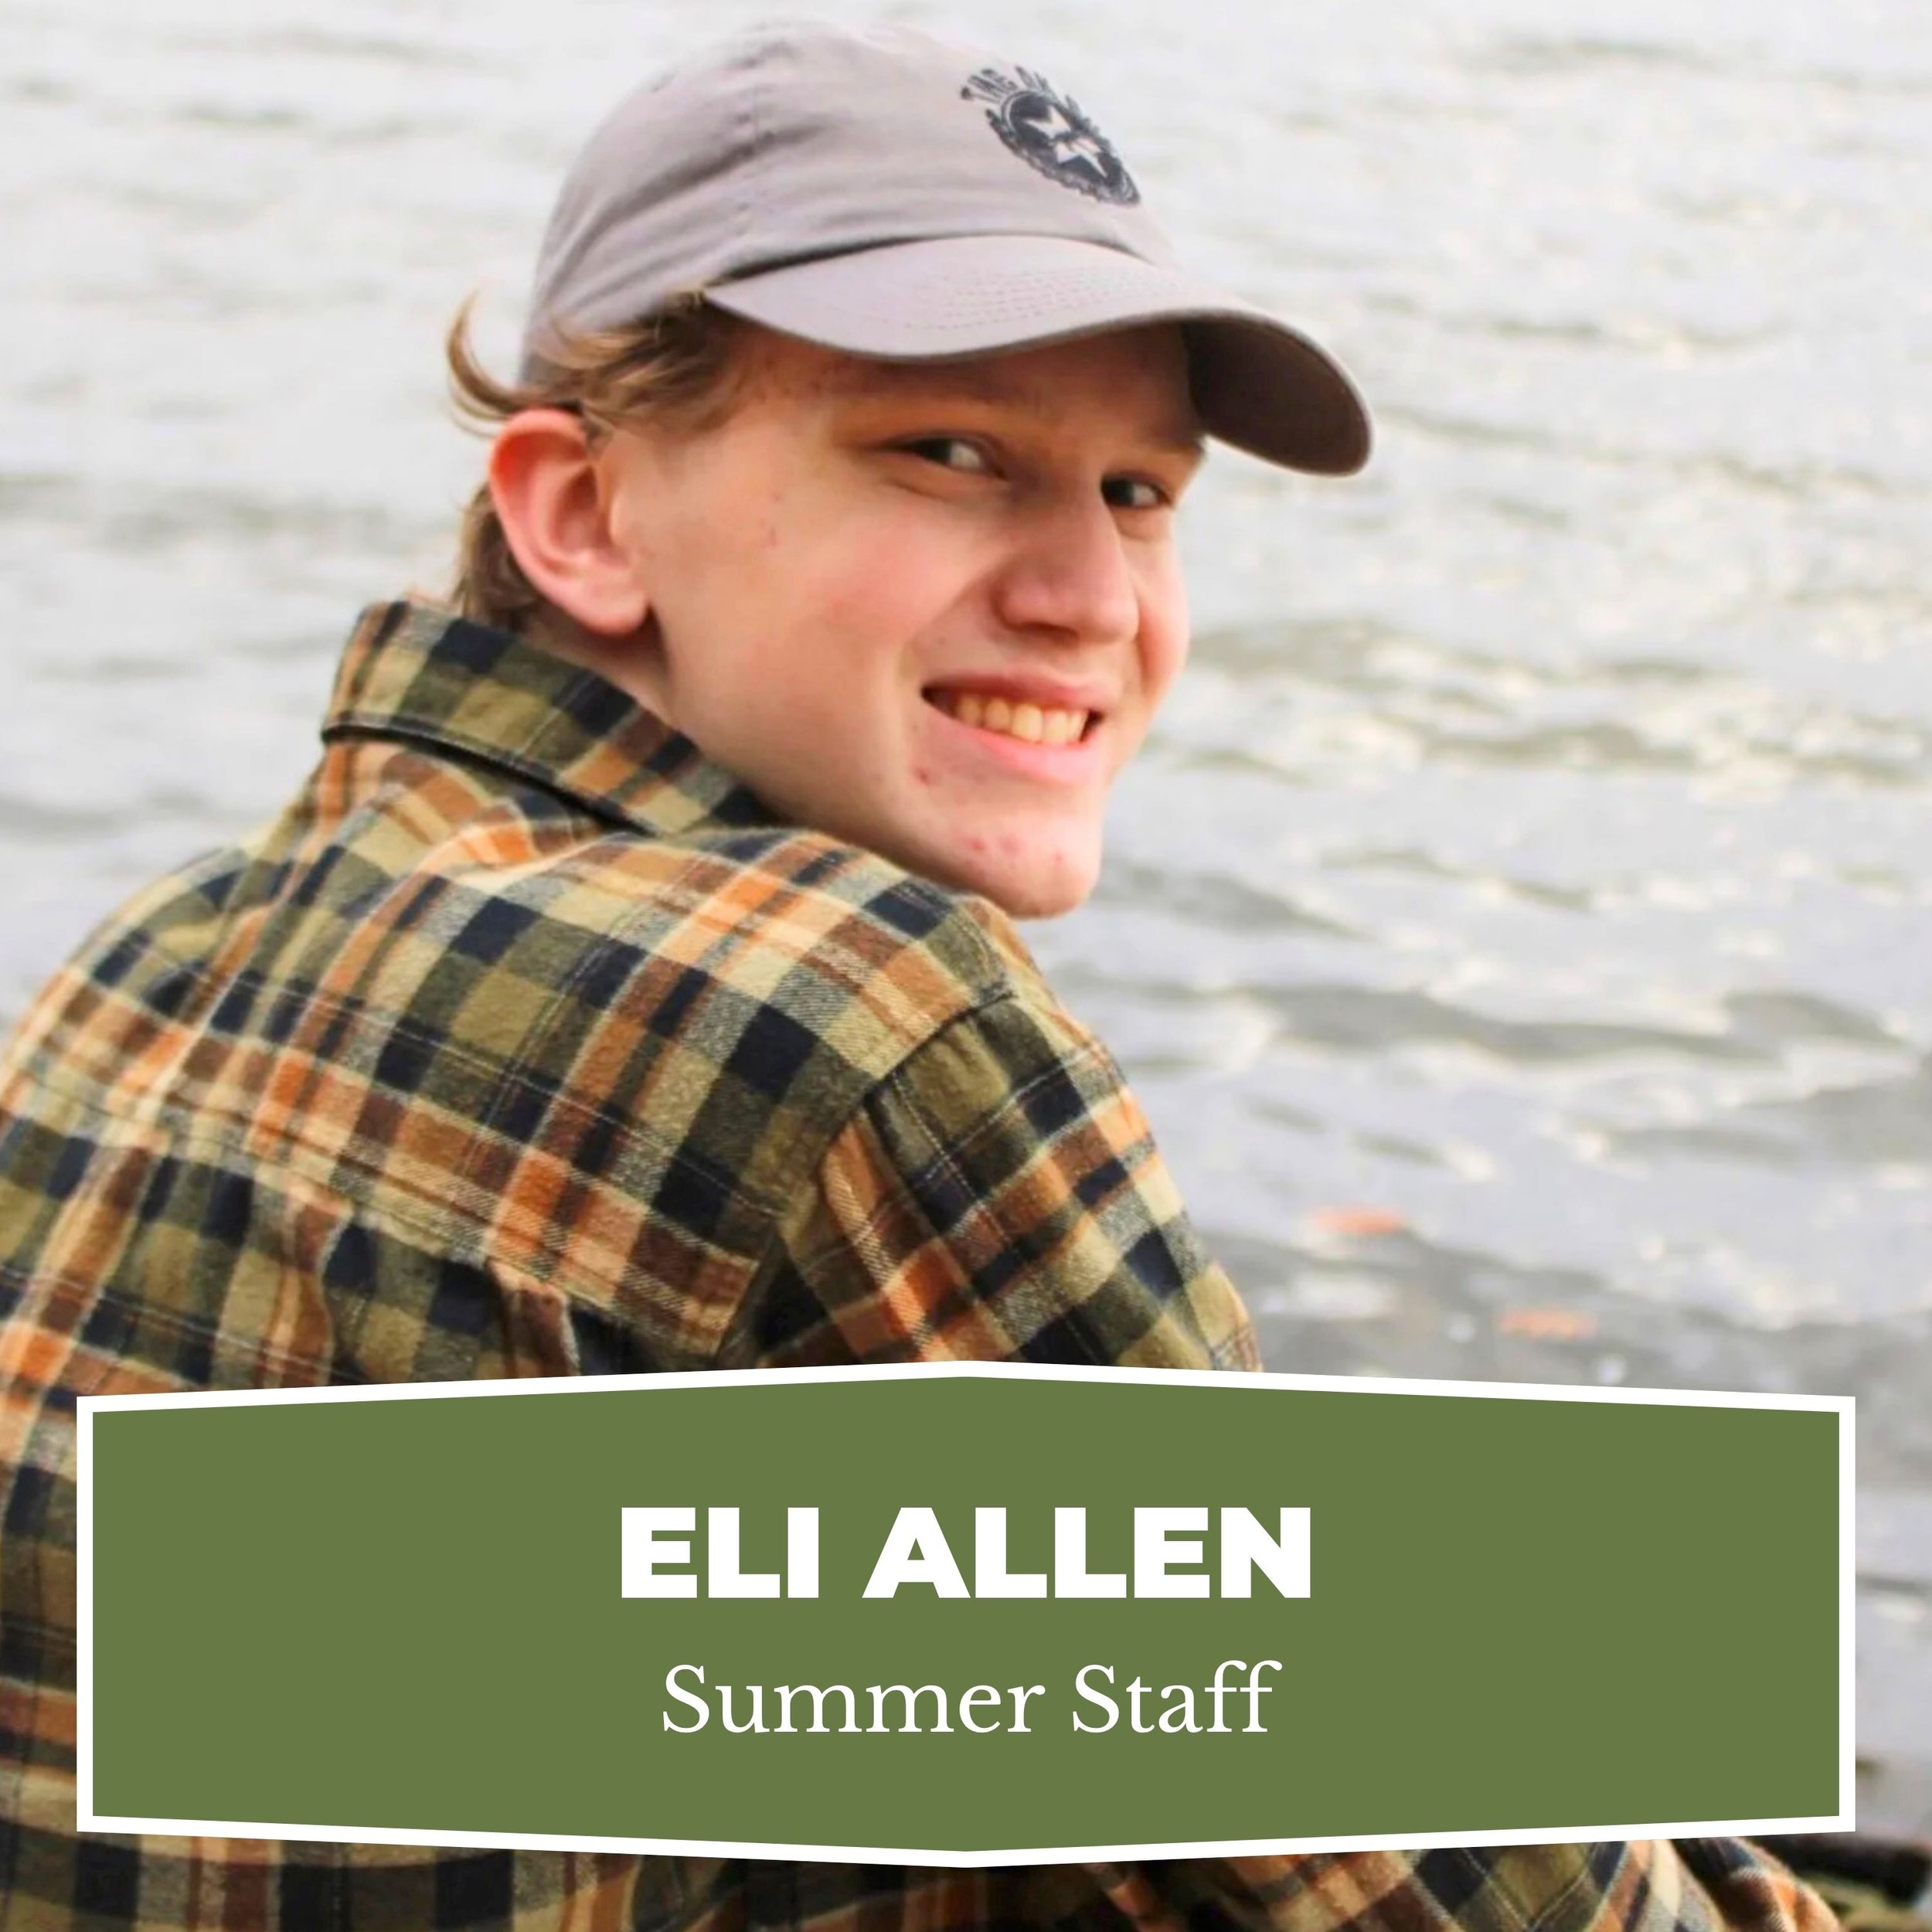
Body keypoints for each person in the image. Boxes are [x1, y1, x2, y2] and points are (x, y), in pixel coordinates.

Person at [0, 22, 1837, 1932]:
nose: (1092, 595)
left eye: (1140, 491)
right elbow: (1458, 1870)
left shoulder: (163, 949)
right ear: (583, 514)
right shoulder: (849, 1002)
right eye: (949, 453)